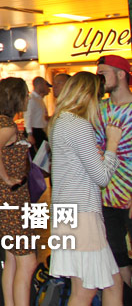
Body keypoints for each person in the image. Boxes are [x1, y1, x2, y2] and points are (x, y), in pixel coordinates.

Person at [49, 71, 123, 305]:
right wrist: (112, 145)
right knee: (85, 291)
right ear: (89, 96)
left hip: (69, 213)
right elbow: (101, 177)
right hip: (82, 216)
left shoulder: (61, 121)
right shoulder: (78, 125)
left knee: (111, 283)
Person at [0, 77, 36, 306]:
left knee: (12, 259)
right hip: (12, 196)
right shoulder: (7, 126)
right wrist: (5, 177)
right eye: (25, 94)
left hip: (2, 194)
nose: (28, 98)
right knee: (27, 261)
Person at [94, 55, 132, 293]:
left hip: (129, 198)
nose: (98, 79)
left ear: (120, 74)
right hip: (105, 199)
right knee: (117, 260)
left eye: (103, 74)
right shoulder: (99, 109)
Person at [25, 76, 52, 151]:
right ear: (40, 85)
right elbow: (28, 117)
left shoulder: (39, 99)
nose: (48, 89)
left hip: (40, 131)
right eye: (46, 85)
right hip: (35, 131)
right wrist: (29, 134)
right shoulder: (31, 99)